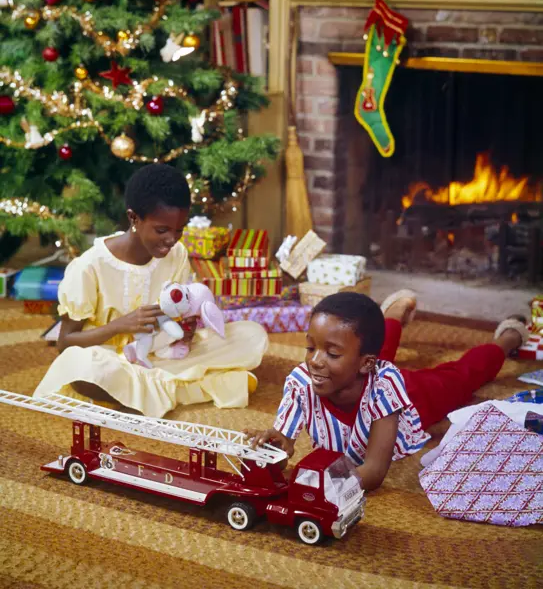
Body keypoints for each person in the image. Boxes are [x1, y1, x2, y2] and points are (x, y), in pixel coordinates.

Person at [34, 163, 268, 417]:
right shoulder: (88, 267)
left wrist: (186, 332)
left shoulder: (177, 255)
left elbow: (177, 315)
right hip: (107, 356)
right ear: (134, 218)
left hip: (161, 353)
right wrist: (120, 325)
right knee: (83, 367)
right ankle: (174, 388)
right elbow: (65, 343)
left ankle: (144, 392)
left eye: (179, 229)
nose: (172, 239)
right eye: (162, 230)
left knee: (251, 335)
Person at [246, 290, 529, 491]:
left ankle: (507, 339)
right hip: (359, 372)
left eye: (331, 353)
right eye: (310, 348)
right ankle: (393, 312)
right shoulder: (302, 381)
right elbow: (284, 445)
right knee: (370, 349)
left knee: (461, 377)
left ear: (367, 364)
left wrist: (321, 488)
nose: (315, 360)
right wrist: (275, 449)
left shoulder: (384, 384)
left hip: (415, 397)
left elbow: (373, 472)